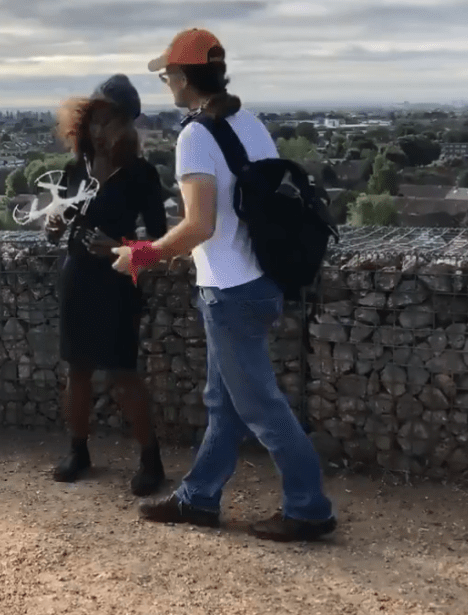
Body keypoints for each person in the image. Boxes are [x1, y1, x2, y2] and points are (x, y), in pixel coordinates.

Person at [111, 29, 337, 541]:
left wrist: (141, 254)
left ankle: (309, 507)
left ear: (185, 77)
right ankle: (200, 498)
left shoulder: (195, 136)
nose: (166, 82)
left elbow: (199, 226)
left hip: (229, 291)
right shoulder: (249, 123)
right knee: (225, 402)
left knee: (260, 405)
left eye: (168, 74)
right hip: (262, 279)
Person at [45, 75, 169, 496]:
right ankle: (78, 451)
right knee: (76, 371)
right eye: (94, 120)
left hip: (117, 283)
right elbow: (54, 233)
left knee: (123, 374)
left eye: (110, 122)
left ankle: (151, 460)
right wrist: (52, 224)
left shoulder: (141, 175)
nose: (99, 131)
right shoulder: (73, 170)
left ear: (128, 127)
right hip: (77, 278)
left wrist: (120, 246)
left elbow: (161, 245)